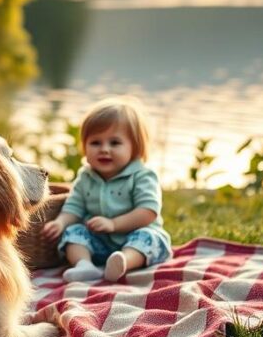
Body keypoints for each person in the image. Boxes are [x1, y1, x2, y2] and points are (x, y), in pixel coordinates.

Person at [39, 97, 171, 283]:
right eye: (95, 143)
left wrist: (113, 224)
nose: (104, 149)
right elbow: (74, 207)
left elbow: (148, 212)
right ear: (84, 146)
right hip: (100, 242)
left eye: (115, 143)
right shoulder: (86, 177)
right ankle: (85, 265)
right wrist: (60, 223)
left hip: (135, 239)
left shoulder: (142, 176)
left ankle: (123, 262)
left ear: (135, 147)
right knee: (73, 231)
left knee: (148, 237)